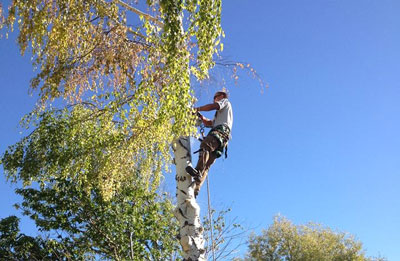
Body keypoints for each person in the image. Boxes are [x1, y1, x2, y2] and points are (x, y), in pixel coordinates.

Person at [186, 90, 233, 197]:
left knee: (205, 145)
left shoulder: (225, 102)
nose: (214, 99)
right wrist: (201, 117)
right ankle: (196, 188)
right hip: (222, 138)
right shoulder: (221, 115)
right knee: (207, 165)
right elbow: (210, 123)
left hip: (220, 132)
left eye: (215, 97)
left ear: (221, 96)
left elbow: (213, 106)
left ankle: (197, 171)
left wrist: (197, 108)